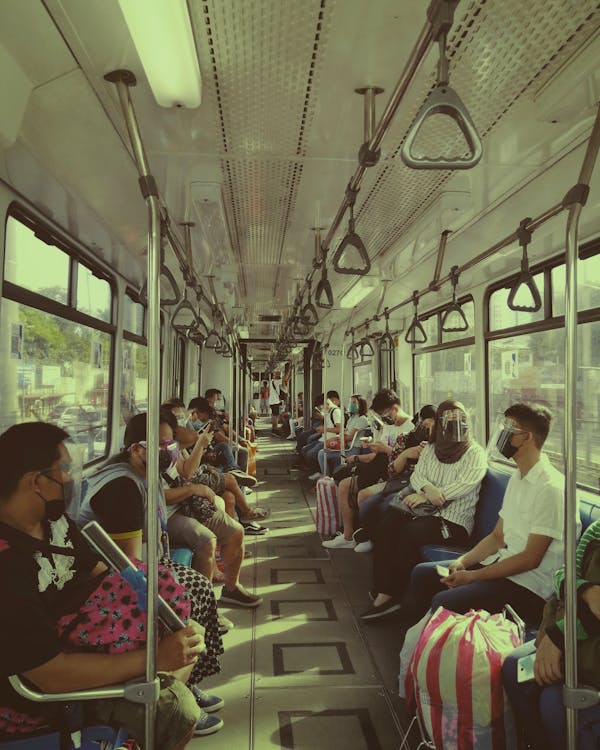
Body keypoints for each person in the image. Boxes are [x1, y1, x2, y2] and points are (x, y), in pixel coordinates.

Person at [0, 422, 205, 748]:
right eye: (63, 470)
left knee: (187, 632)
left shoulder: (53, 522)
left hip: (83, 641)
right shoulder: (7, 567)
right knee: (177, 709)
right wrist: (155, 657)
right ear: (34, 482)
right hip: (43, 700)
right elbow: (49, 675)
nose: (70, 479)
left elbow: (99, 570)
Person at [410, 402, 573, 629]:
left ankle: (435, 645)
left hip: (529, 586)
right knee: (423, 575)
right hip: (503, 566)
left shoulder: (551, 488)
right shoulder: (518, 478)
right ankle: (426, 644)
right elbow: (498, 537)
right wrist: (462, 562)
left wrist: (474, 577)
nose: (502, 433)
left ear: (526, 437)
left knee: (444, 600)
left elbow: (530, 559)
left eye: (509, 428)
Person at [361, 400, 487, 621]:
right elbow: (418, 475)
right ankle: (385, 590)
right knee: (388, 522)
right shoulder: (431, 447)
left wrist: (431, 495)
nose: (456, 426)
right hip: (425, 510)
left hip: (453, 522)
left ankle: (398, 597)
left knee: (410, 532)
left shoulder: (475, 452)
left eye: (461, 421)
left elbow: (465, 484)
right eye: (450, 421)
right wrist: (427, 490)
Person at [502, 518, 600, 749]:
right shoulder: (596, 529)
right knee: (513, 668)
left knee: (555, 703)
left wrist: (559, 637)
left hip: (585, 645)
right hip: (577, 630)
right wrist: (583, 590)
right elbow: (563, 575)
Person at [326, 389, 411, 548]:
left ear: (395, 408)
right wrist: (373, 447)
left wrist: (385, 449)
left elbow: (406, 460)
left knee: (362, 494)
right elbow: (376, 455)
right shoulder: (388, 427)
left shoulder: (410, 428)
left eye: (386, 414)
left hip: (395, 476)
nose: (385, 419)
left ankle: (367, 536)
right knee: (344, 485)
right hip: (378, 469)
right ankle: (348, 536)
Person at [187, 397, 256, 488]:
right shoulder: (190, 425)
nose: (215, 402)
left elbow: (226, 428)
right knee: (227, 449)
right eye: (214, 399)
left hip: (209, 449)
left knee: (231, 449)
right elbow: (217, 435)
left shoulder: (213, 415)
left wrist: (239, 440)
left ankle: (236, 474)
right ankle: (235, 474)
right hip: (205, 452)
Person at [317, 395, 370, 477]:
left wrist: (336, 438)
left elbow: (350, 437)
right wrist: (334, 438)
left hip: (352, 449)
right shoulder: (352, 417)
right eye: (350, 402)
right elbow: (345, 432)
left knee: (322, 453)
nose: (351, 404)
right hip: (345, 446)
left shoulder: (362, 419)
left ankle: (326, 478)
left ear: (361, 405)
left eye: (354, 403)